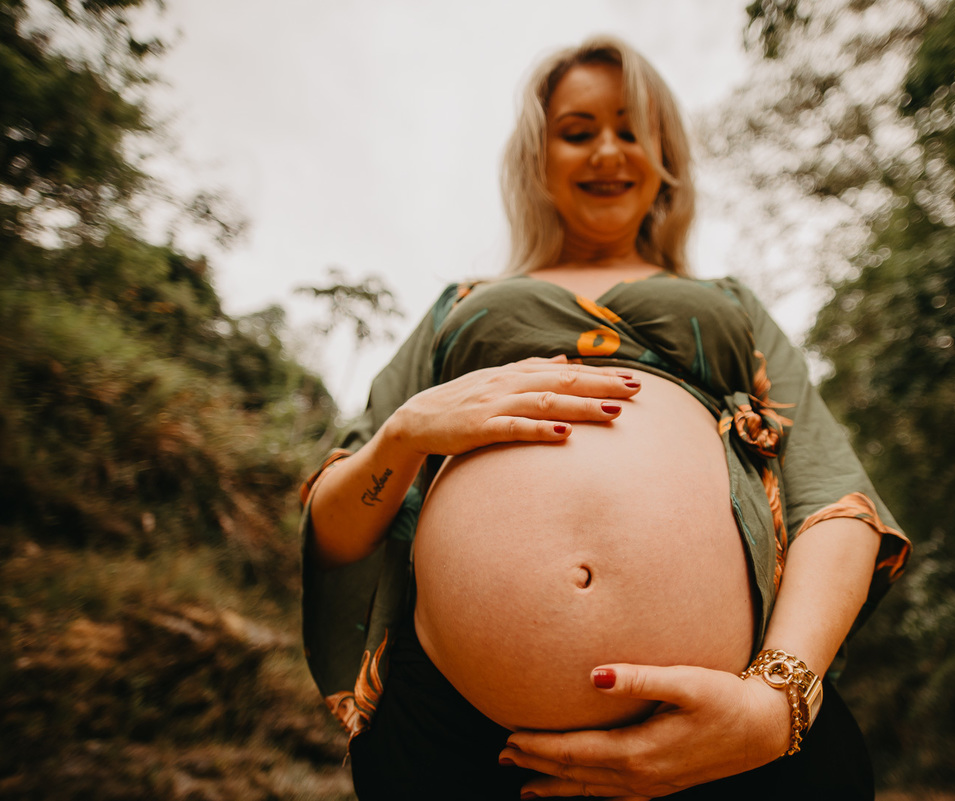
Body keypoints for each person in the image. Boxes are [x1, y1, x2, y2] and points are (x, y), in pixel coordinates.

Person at [298, 35, 911, 799]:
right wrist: (409, 430)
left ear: (664, 158)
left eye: (631, 131)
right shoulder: (458, 309)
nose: (607, 152)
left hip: (728, 748)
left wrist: (771, 704)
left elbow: (834, 498)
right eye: (578, 131)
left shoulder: (730, 307)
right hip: (460, 743)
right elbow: (333, 530)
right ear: (538, 156)